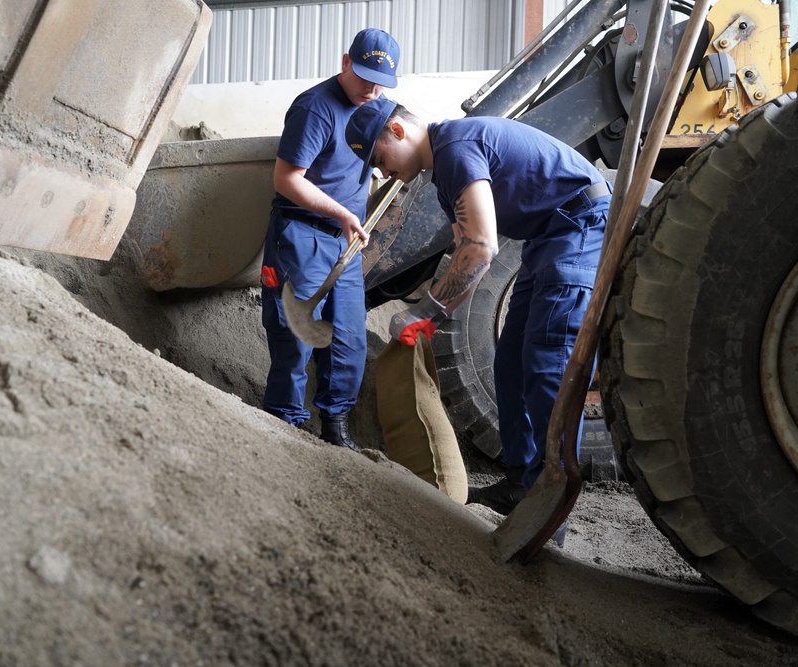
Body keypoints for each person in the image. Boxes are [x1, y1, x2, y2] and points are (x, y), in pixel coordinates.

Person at [345, 100, 610, 541]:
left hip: (580, 226)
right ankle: (521, 483)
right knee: (509, 362)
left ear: (396, 129)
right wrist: (434, 316)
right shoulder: (444, 168)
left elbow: (482, 248)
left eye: (379, 159)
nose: (384, 172)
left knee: (548, 366)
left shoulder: (456, 150)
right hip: (549, 234)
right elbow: (467, 251)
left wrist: (425, 310)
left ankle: (551, 511)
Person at [260, 29, 400, 452]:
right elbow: (286, 180)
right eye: (363, 77)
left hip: (346, 242)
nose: (371, 89)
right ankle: (283, 425)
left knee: (349, 338)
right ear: (344, 62)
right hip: (303, 235)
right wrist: (341, 212)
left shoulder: (377, 107)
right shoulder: (314, 109)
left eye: (380, 82)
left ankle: (335, 427)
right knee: (296, 335)